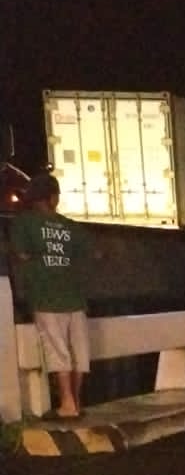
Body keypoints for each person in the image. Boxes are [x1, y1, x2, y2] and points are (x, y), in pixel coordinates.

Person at [11, 175, 92, 418]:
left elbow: (21, 255)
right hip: (74, 297)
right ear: (53, 198)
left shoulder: (23, 223)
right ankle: (76, 402)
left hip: (45, 296)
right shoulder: (71, 226)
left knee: (57, 350)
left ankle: (67, 404)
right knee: (79, 352)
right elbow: (88, 256)